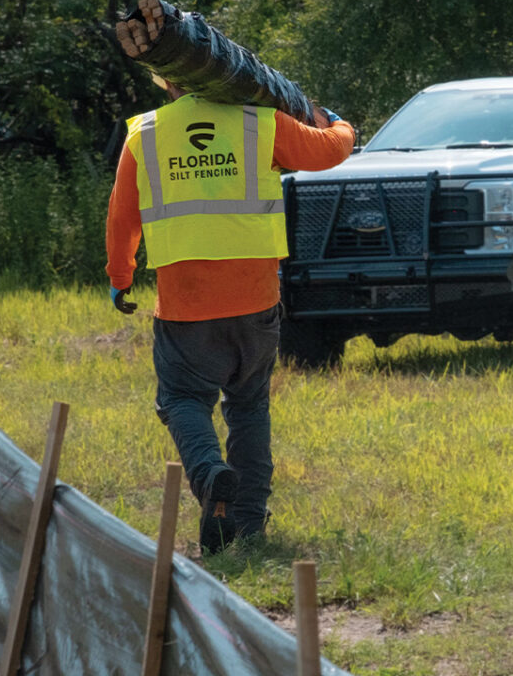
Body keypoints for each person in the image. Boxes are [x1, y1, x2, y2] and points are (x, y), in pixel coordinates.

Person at [105, 32, 354, 554]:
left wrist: (121, 277)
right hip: (255, 301)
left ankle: (209, 474)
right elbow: (330, 152)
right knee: (248, 408)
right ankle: (248, 526)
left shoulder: (144, 135)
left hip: (185, 305)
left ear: (169, 80)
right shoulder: (259, 123)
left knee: (181, 399)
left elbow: (122, 217)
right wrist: (336, 122)